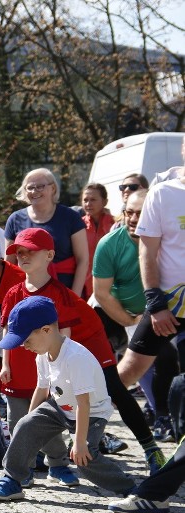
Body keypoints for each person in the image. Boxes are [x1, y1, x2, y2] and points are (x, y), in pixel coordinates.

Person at [0, 228, 165, 478]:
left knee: (112, 389)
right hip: (58, 342)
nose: (23, 256)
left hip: (88, 338)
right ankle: (71, 448)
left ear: (49, 255)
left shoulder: (59, 294)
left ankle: (151, 449)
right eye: (19, 252)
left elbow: (64, 339)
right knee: (59, 394)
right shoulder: (15, 291)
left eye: (29, 251)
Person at [0, 297, 136, 501]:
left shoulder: (75, 357)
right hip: (61, 406)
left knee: (84, 458)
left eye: (26, 340)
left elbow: (83, 404)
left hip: (91, 413)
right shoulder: (42, 354)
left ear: (46, 330)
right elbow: (41, 390)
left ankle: (131, 489)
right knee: (25, 425)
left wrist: (80, 442)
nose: (23, 346)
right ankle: (12, 479)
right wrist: (29, 422)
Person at [92, 189, 178, 443]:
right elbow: (102, 293)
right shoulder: (109, 243)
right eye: (128, 212)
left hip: (154, 311)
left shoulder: (168, 242)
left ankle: (163, 417)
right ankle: (91, 417)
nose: (132, 218)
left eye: (139, 213)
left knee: (166, 357)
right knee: (93, 357)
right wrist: (130, 322)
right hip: (114, 311)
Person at [117, 163, 185, 427]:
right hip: (167, 303)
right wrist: (156, 305)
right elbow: (146, 252)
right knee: (128, 371)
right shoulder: (163, 193)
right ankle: (86, 431)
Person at [3, 169, 89, 296]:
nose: (34, 191)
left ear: (53, 188)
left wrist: (74, 297)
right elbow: (9, 264)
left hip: (65, 291)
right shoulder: (15, 219)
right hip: (28, 292)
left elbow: (83, 260)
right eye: (30, 187)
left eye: (40, 187)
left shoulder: (71, 217)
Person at [81, 183, 114, 298]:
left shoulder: (115, 225)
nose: (88, 204)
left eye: (93, 200)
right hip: (83, 288)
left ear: (104, 202)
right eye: (85, 200)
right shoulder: (77, 226)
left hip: (110, 287)